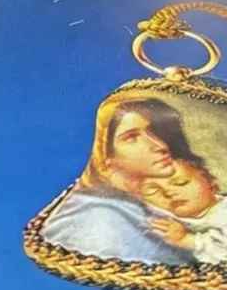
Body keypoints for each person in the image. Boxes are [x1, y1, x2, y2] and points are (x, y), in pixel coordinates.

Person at [38, 92, 206, 264]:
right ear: (104, 154)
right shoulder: (102, 218)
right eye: (131, 137)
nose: (160, 145)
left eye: (153, 132)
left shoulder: (150, 203)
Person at [141, 158, 227, 264]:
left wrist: (188, 240)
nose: (168, 192)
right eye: (153, 190)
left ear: (211, 185)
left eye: (181, 183)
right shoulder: (170, 218)